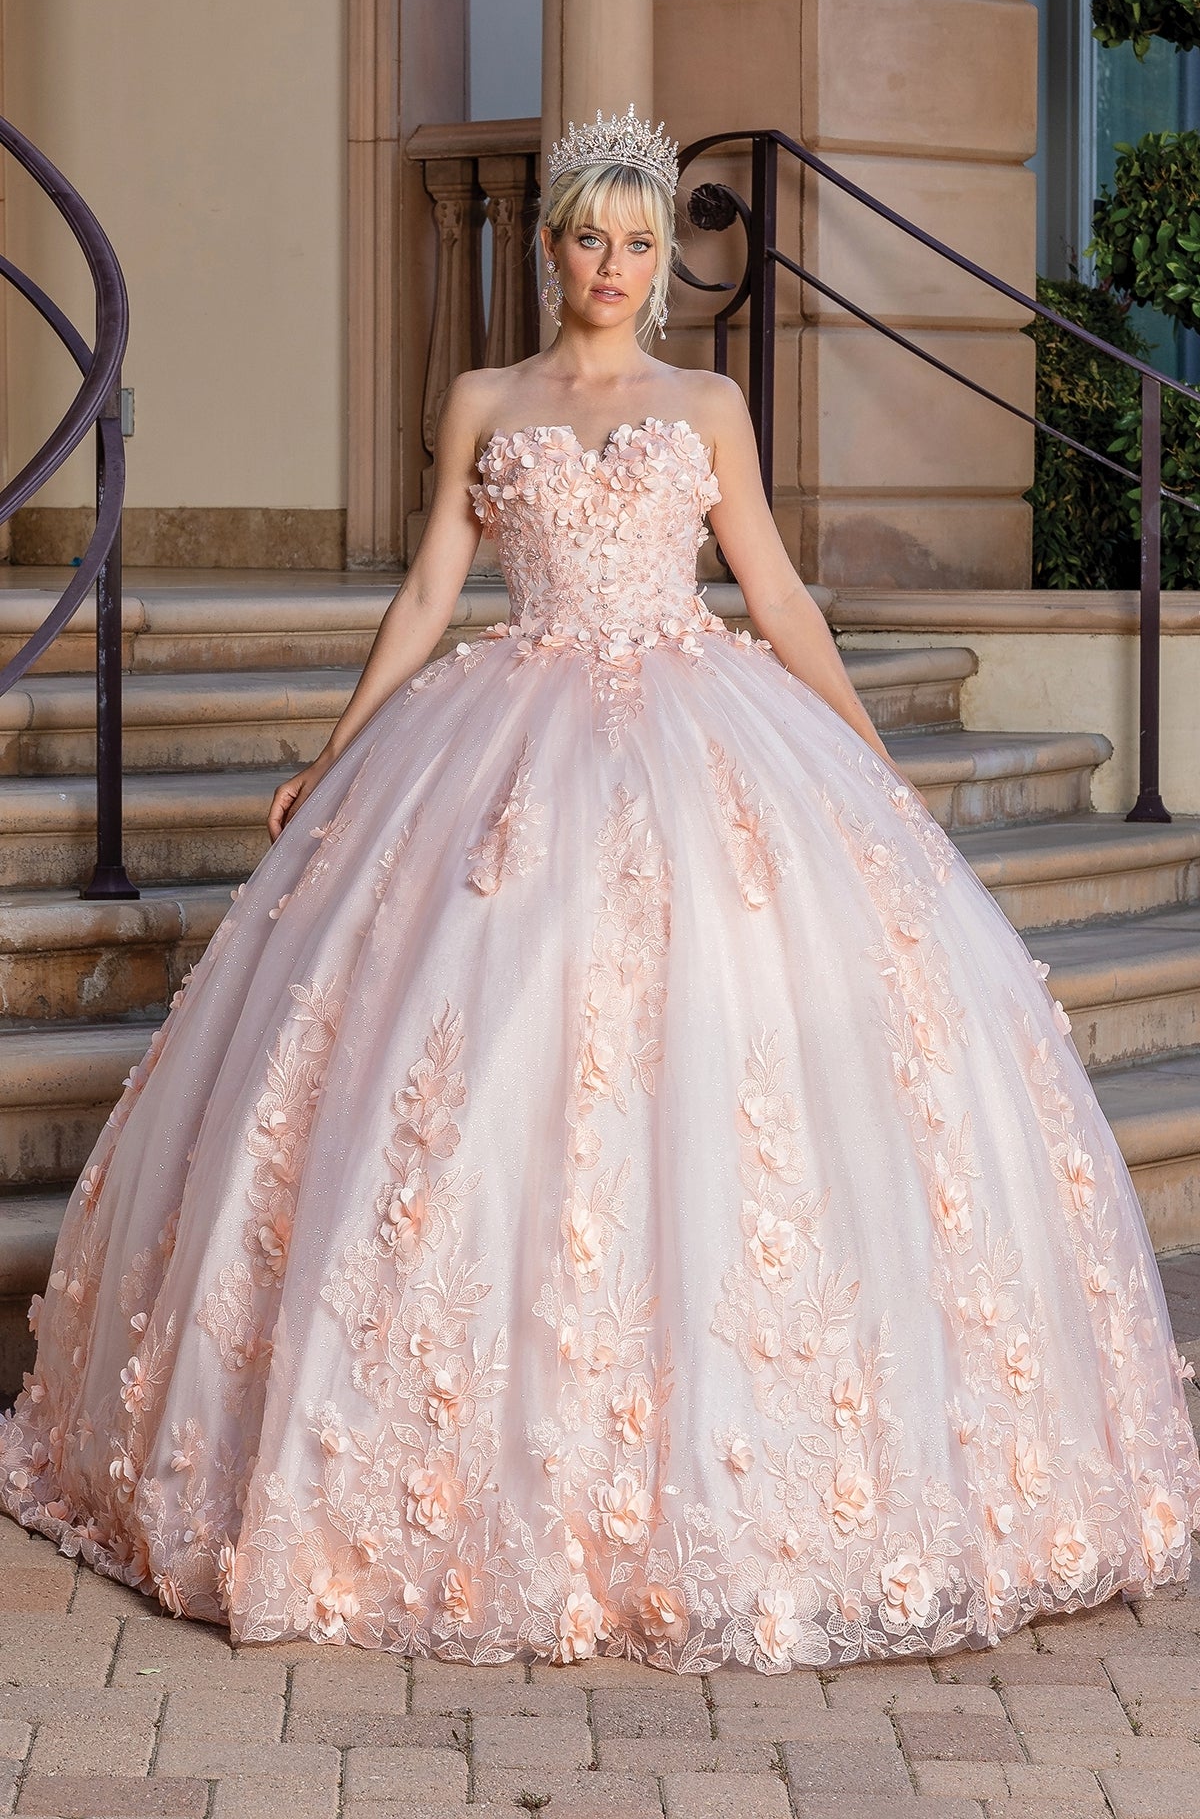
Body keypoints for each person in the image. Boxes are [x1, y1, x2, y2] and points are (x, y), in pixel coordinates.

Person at [1, 107, 1196, 1674]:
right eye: (589, 237)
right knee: (468, 1064)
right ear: (553, 241)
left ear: (664, 258)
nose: (614, 267)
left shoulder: (705, 407)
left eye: (641, 242)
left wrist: (871, 764)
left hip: (708, 740)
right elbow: (434, 584)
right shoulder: (485, 398)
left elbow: (770, 589)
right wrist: (339, 750)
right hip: (506, 750)